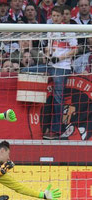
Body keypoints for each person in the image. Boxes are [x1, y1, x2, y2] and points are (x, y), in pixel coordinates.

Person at [21, 6, 78, 140]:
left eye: (58, 16)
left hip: (62, 68)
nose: (55, 18)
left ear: (62, 17)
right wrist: (47, 55)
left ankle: (56, 130)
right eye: (53, 16)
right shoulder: (50, 30)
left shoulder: (68, 30)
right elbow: (49, 48)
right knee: (25, 70)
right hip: (50, 65)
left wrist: (59, 58)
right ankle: (26, 119)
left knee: (58, 100)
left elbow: (75, 50)